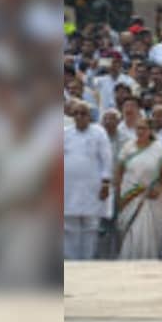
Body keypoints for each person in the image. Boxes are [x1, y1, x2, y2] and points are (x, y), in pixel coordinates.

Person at [114, 119, 162, 259]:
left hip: (151, 198)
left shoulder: (160, 150)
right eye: (138, 128)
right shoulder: (128, 147)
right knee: (130, 231)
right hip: (129, 196)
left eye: (143, 128)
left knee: (149, 232)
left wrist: (160, 188)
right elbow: (119, 171)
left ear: (150, 130)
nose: (140, 132)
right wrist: (118, 192)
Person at [63, 101, 112, 260]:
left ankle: (88, 261)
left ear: (89, 116)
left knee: (91, 226)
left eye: (83, 113)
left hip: (93, 187)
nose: (79, 116)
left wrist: (106, 181)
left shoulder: (99, 132)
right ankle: (72, 262)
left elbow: (106, 158)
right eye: (76, 113)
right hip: (68, 187)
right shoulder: (66, 133)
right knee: (69, 227)